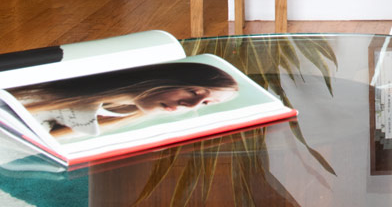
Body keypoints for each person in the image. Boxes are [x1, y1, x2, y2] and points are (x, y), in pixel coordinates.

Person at [12, 60, 239, 137]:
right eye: (193, 92)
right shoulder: (58, 87)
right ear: (167, 78)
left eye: (205, 103)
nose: (190, 105)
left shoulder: (103, 121)